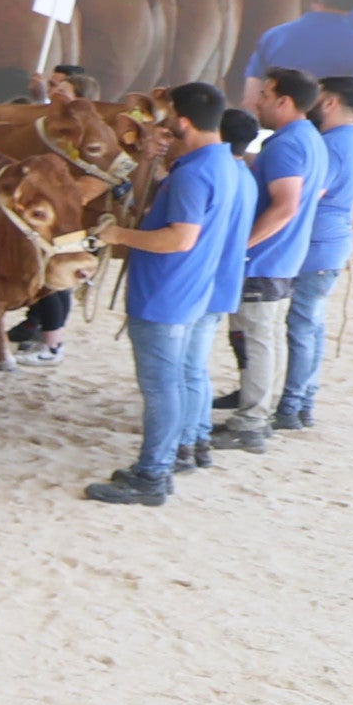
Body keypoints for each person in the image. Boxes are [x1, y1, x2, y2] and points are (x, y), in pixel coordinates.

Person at [86, 81, 251, 505]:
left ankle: (153, 475)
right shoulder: (223, 166)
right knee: (176, 381)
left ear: (182, 120)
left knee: (162, 389)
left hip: (166, 293)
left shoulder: (195, 173)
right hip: (188, 291)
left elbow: (180, 238)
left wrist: (116, 234)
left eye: (167, 114)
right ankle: (168, 459)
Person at [218, 67, 323, 450]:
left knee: (257, 338)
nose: (256, 101)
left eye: (264, 94)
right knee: (262, 337)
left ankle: (251, 422)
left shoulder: (287, 145)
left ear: (285, 102)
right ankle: (253, 410)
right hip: (280, 258)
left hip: (264, 259)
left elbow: (284, 207)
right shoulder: (305, 138)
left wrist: (240, 247)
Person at [279, 74, 353, 434]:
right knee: (311, 325)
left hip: (317, 244)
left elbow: (310, 193)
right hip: (331, 242)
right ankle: (303, 401)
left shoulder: (331, 144)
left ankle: (292, 403)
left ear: (329, 102)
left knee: (301, 326)